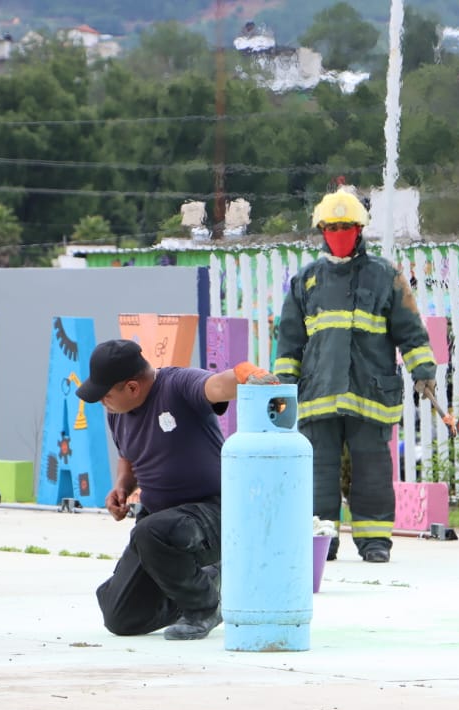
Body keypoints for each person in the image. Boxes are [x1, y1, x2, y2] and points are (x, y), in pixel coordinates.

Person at [273, 188, 437, 563]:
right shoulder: (306, 282)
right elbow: (289, 343)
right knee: (318, 475)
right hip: (319, 395)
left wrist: (423, 371)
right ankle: (322, 540)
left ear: (360, 229)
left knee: (373, 473)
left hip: (371, 394)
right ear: (321, 229)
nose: (340, 232)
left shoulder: (385, 277)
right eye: (333, 226)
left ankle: (375, 542)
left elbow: (410, 332)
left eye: (346, 226)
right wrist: (283, 390)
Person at [76, 339, 276, 640]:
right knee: (120, 617)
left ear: (132, 387)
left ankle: (203, 608)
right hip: (162, 524)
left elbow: (217, 386)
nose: (103, 402)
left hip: (214, 513)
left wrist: (245, 373)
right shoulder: (117, 411)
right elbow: (129, 457)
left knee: (150, 532)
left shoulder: (177, 385)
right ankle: (201, 582)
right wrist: (122, 487)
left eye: (106, 395)